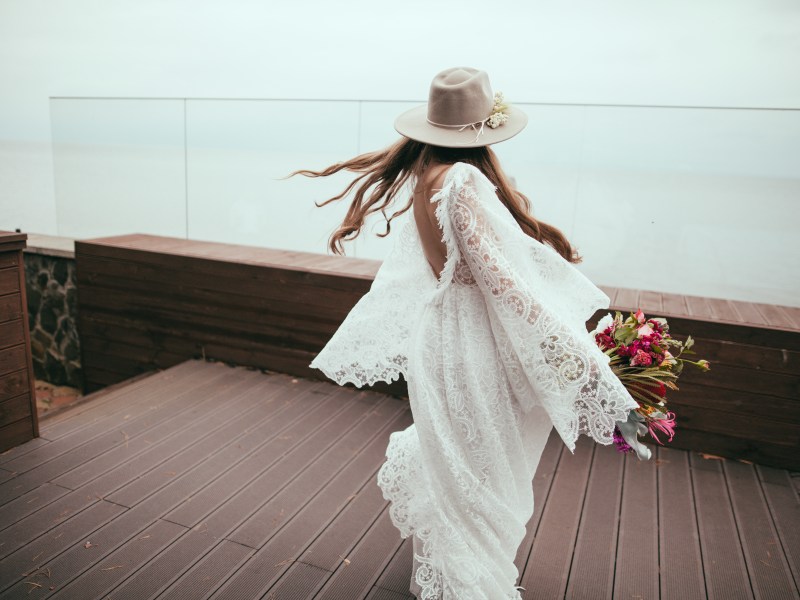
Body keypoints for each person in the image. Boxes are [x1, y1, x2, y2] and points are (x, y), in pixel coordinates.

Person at [294, 67, 639, 600]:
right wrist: (573, 350)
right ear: (485, 133)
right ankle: (472, 587)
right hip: (472, 340)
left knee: (462, 467)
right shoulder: (462, 179)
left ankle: (460, 578)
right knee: (488, 473)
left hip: (441, 333)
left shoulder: (426, 177)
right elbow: (501, 282)